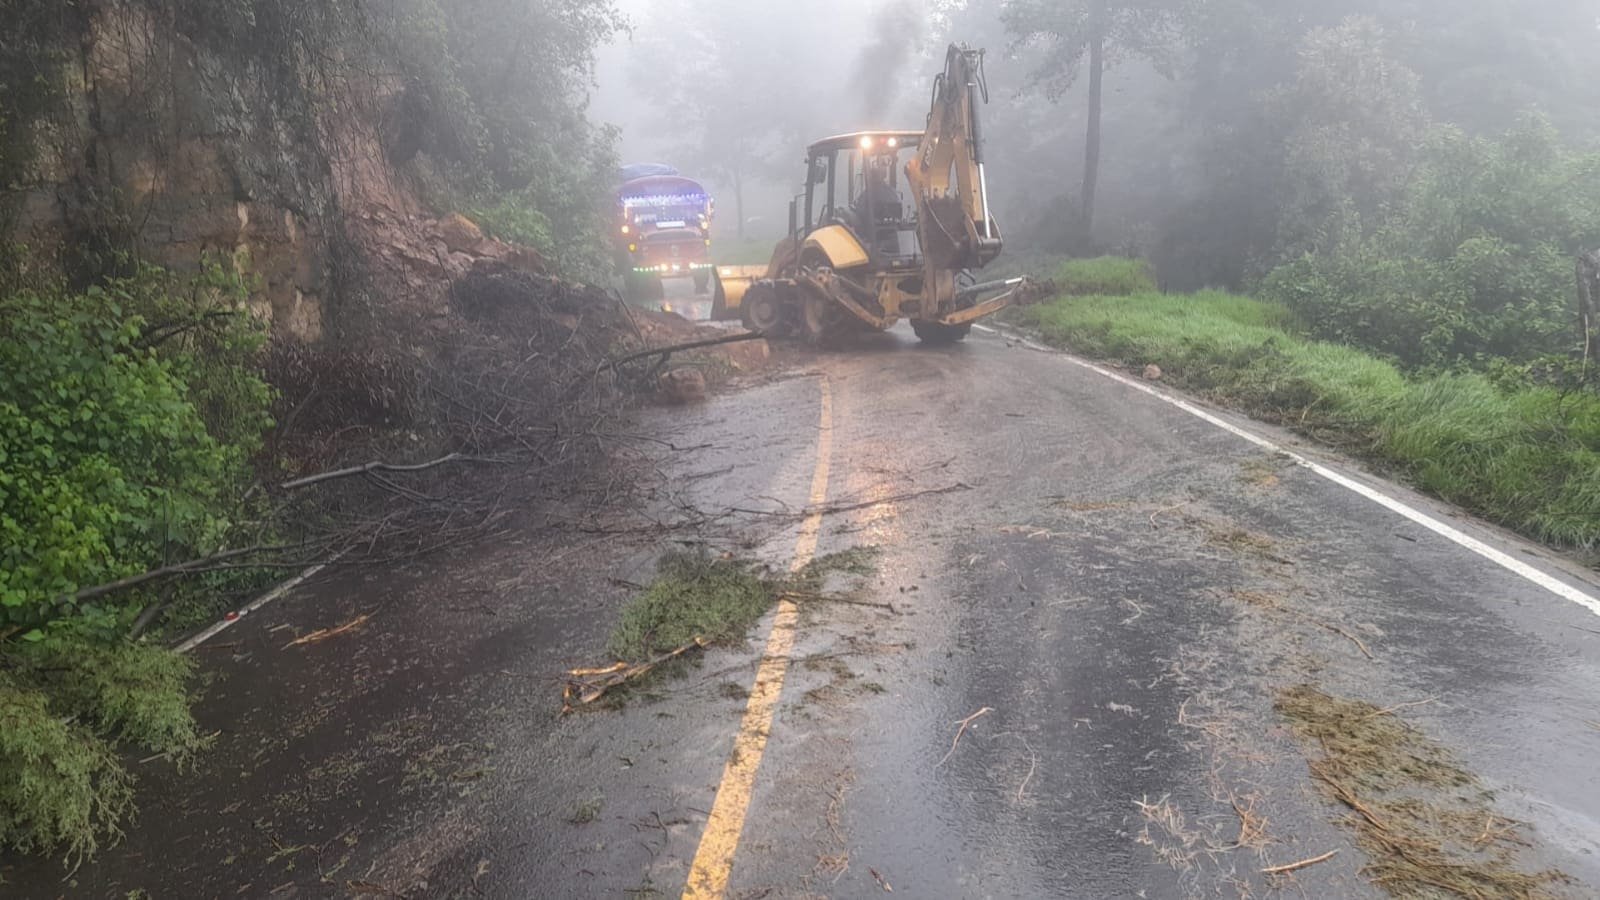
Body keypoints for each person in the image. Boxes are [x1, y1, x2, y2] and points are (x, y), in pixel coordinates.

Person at [855, 159, 901, 234]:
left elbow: (860, 213)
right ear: (884, 175)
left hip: (869, 234)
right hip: (892, 233)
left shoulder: (866, 195)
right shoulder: (892, 193)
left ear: (871, 176)